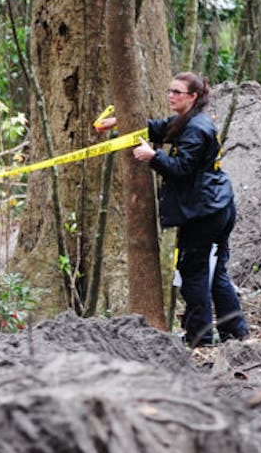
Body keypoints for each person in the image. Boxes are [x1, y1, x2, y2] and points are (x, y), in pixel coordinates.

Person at [95, 72, 249, 347]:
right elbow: (157, 128)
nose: (171, 95)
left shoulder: (197, 128)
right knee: (213, 274)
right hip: (212, 206)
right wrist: (121, 123)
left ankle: (200, 338)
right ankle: (235, 334)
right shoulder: (185, 121)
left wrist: (154, 157)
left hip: (207, 213)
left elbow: (180, 169)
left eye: (178, 92)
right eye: (170, 90)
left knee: (196, 273)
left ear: (193, 97)